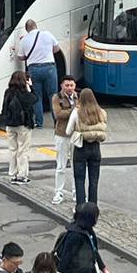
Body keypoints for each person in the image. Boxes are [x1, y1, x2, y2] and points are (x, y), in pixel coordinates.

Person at [17, 20, 61, 129]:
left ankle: (39, 122)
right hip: (49, 68)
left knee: (37, 97)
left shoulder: (24, 40)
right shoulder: (47, 34)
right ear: (36, 26)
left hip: (34, 69)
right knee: (53, 95)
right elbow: (57, 49)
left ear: (27, 29)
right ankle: (57, 122)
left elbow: (21, 57)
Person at [69, 89, 107, 210]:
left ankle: (80, 207)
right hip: (96, 147)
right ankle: (93, 207)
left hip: (81, 146)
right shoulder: (101, 112)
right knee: (94, 179)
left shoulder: (77, 112)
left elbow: (68, 131)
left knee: (79, 179)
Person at [3, 71, 38, 184]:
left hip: (10, 124)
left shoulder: (8, 92)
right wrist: (30, 87)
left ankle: (12, 173)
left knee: (13, 149)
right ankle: (22, 175)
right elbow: (35, 99)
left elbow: (4, 108)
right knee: (23, 150)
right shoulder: (24, 93)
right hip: (23, 125)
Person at [50, 76, 77, 205]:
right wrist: (74, 110)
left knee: (76, 165)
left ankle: (77, 193)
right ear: (62, 85)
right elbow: (59, 114)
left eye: (71, 85)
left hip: (75, 135)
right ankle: (58, 192)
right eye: (67, 85)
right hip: (61, 135)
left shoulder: (78, 97)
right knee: (61, 166)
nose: (69, 88)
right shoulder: (57, 98)